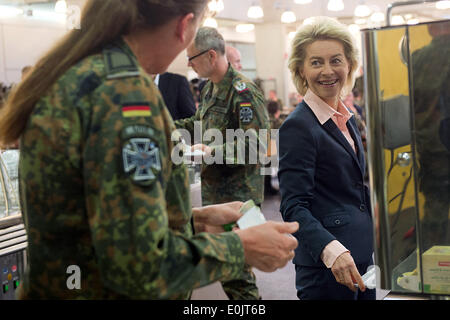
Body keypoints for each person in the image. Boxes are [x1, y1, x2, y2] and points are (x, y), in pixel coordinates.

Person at [0, 0, 298, 299]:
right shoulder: (124, 95)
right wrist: (241, 247)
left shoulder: (80, 74)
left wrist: (195, 218)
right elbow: (138, 265)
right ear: (184, 26)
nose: (189, 62)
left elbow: (99, 219)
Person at [278, 16, 375, 300]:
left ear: (349, 65)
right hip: (327, 268)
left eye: (336, 60)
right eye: (316, 62)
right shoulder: (298, 126)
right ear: (301, 69)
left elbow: (350, 190)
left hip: (360, 258)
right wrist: (333, 251)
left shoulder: (346, 117)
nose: (327, 71)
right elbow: (293, 206)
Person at [175, 27, 270, 300]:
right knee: (229, 273)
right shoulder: (209, 89)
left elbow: (257, 145)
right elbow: (198, 124)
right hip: (217, 197)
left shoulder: (243, 91)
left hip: (239, 199)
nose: (189, 64)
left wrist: (211, 151)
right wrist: (163, 126)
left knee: (237, 275)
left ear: (211, 55)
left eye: (191, 58)